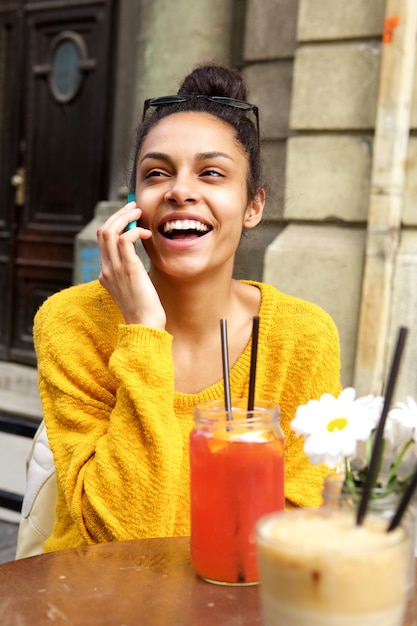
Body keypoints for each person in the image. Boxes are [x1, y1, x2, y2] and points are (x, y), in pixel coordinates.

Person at [32, 63, 341, 553]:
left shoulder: (300, 336)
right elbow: (115, 536)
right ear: (134, 204)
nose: (179, 190)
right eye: (157, 174)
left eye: (211, 173)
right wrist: (144, 332)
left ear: (252, 206)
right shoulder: (73, 322)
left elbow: (302, 529)